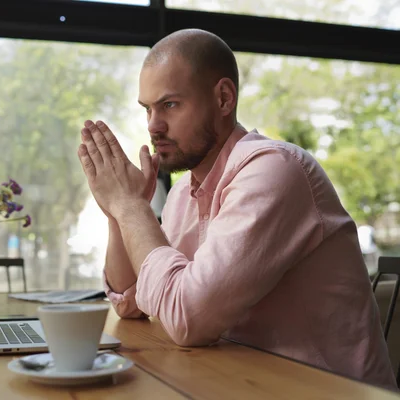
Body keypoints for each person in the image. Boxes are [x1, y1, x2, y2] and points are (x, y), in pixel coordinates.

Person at [76, 28, 397, 391]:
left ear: (224, 99)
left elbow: (187, 317)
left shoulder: (273, 169)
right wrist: (118, 212)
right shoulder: (184, 195)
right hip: (242, 383)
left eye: (170, 105)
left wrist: (132, 208)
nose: (153, 125)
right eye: (148, 109)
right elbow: (132, 301)